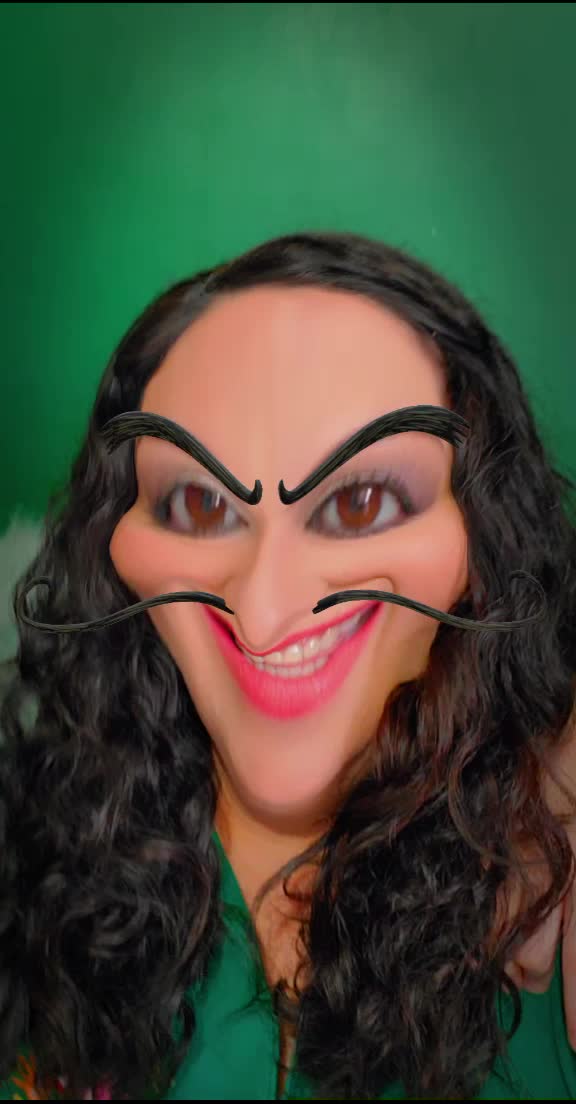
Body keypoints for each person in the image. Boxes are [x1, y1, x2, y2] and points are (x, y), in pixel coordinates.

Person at [1, 231, 575, 1101]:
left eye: (360, 502)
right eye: (200, 504)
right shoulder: (37, 850)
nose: (265, 612)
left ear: (483, 531)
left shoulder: (548, 895)